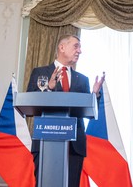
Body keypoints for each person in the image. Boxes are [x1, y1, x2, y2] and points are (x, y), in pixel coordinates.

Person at [25, 35, 102, 186]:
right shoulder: (41, 72)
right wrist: (49, 88)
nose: (80, 51)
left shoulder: (82, 79)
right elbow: (30, 103)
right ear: (62, 48)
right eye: (76, 46)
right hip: (45, 140)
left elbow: (91, 113)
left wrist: (95, 95)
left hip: (74, 145)